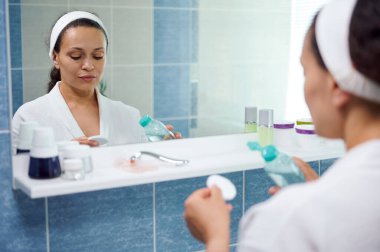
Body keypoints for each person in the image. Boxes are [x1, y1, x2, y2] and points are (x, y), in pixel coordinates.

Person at [184, 0, 380, 251]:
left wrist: (215, 238)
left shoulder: (287, 221)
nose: (305, 87)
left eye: (305, 71)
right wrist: (319, 192)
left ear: (338, 85)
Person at [12, 11, 180, 153]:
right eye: (76, 56)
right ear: (55, 57)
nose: (89, 65)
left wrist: (165, 150)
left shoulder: (128, 116)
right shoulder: (29, 117)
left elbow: (143, 170)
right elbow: (13, 177)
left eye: (98, 55)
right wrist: (63, 152)